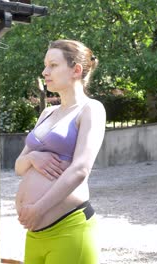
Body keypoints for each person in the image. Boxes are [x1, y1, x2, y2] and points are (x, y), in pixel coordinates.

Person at [14, 39, 106, 263]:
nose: (45, 71)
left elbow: (80, 170)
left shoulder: (90, 109)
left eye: (53, 65)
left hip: (69, 228)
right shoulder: (47, 113)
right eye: (45, 65)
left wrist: (38, 209)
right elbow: (19, 166)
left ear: (76, 70)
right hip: (35, 235)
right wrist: (34, 157)